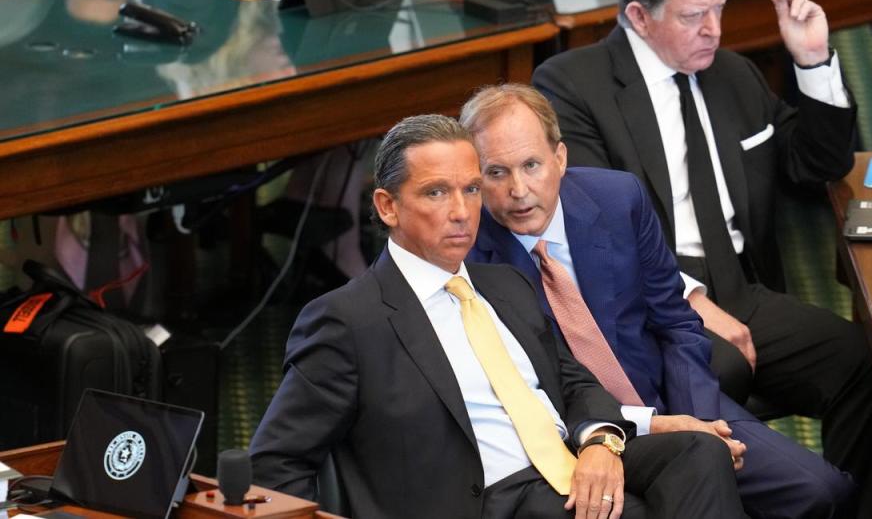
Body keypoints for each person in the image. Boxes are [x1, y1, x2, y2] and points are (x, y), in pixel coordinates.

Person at [532, 0, 872, 518]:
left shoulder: (731, 73)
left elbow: (812, 165)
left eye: (720, 9)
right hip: (651, 305)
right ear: (639, 14)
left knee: (868, 363)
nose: (714, 29)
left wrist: (812, 60)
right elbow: (593, 229)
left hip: (744, 289)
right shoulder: (571, 85)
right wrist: (690, 298)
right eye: (693, 16)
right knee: (722, 367)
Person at [249, 114, 747, 519]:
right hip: (492, 498)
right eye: (436, 193)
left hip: (569, 463)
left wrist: (601, 439)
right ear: (387, 206)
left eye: (469, 189)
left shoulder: (505, 284)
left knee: (698, 454)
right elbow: (276, 461)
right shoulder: (346, 319)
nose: (463, 212)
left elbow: (572, 381)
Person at [462, 83, 857, 518]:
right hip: (579, 441)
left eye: (532, 165)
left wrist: (699, 423)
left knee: (820, 491)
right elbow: (523, 394)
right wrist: (659, 433)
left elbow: (677, 322)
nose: (518, 189)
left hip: (672, 400)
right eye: (496, 173)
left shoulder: (617, 199)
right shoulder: (468, 255)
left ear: (560, 158)